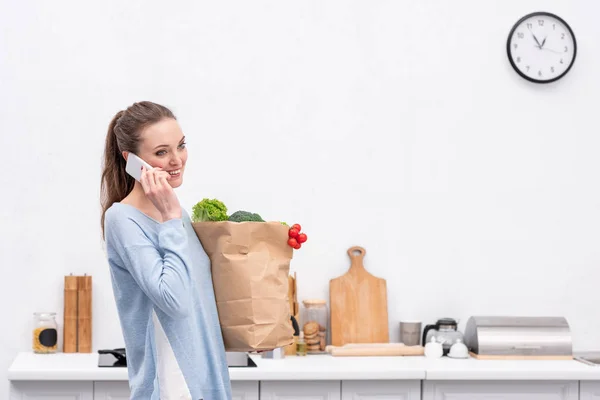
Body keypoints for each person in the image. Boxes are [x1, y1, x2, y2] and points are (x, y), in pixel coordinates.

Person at [100, 101, 232, 400]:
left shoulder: (179, 215)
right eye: (161, 152)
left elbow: (199, 298)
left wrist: (245, 333)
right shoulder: (123, 219)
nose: (177, 160)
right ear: (131, 160)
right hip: (172, 385)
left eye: (181, 146)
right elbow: (175, 301)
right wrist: (170, 220)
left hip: (208, 380)